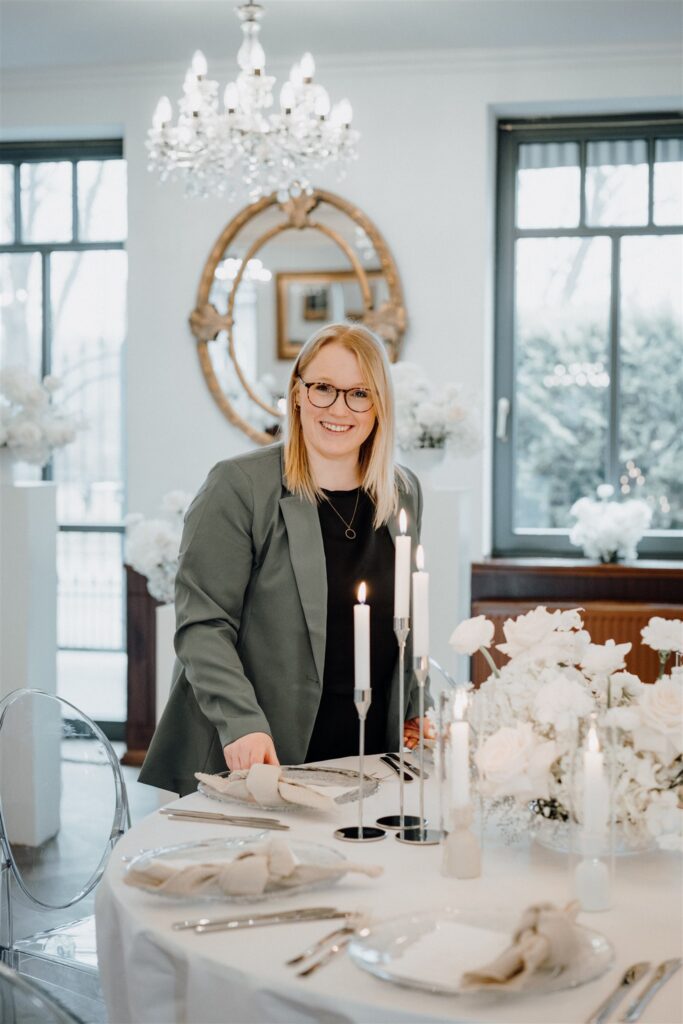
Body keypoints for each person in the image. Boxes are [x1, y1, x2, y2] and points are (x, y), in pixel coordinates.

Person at [139, 323, 430, 796]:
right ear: (297, 394)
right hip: (264, 747)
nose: (339, 408)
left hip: (373, 743)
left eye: (359, 393)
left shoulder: (403, 492)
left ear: (379, 405)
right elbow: (202, 624)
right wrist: (242, 723)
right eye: (323, 389)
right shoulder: (239, 486)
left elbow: (406, 618)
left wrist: (416, 704)